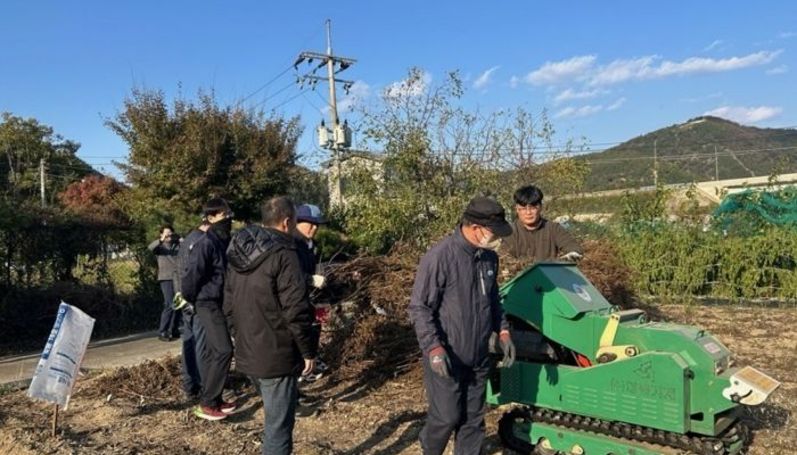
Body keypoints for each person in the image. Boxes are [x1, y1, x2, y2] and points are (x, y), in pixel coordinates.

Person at [408, 196, 517, 455]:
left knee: (473, 419)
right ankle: (430, 449)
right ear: (475, 227)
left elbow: (493, 300)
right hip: (447, 354)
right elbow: (419, 307)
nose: (497, 239)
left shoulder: (489, 258)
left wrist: (503, 330)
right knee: (446, 416)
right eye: (494, 233)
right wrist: (433, 348)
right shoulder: (440, 257)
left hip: (478, 354)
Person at [224, 196, 316, 455]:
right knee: (278, 429)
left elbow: (228, 303)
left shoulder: (238, 249)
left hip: (248, 350)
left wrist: (237, 335)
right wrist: (307, 351)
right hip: (276, 353)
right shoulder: (285, 255)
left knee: (273, 421)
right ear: (287, 222)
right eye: (297, 220)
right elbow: (296, 309)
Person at [180, 197, 236, 420]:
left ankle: (216, 398)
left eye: (229, 214)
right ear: (211, 218)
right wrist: (193, 299)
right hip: (206, 303)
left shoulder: (222, 241)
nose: (228, 219)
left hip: (217, 302)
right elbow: (190, 277)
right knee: (224, 350)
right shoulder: (205, 243)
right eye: (223, 215)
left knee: (217, 351)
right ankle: (207, 402)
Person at [503, 185, 583, 262]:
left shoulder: (554, 228)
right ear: (517, 209)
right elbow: (504, 258)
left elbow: (573, 248)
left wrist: (568, 257)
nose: (528, 212)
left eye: (533, 208)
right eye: (523, 208)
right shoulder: (509, 232)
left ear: (540, 207)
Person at [294, 203, 329, 382]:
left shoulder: (311, 244)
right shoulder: (292, 244)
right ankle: (300, 369)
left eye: (317, 225)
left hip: (308, 295)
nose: (314, 228)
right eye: (310, 224)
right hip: (293, 297)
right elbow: (290, 272)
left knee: (314, 328)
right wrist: (309, 279)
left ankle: (308, 365)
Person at [148, 225, 181, 341]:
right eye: (166, 233)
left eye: (170, 233)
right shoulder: (160, 247)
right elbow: (151, 248)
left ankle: (174, 329)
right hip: (166, 278)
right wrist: (161, 240)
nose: (168, 236)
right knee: (169, 303)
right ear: (161, 234)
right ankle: (162, 331)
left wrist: (181, 239)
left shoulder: (177, 246)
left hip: (178, 277)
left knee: (178, 304)